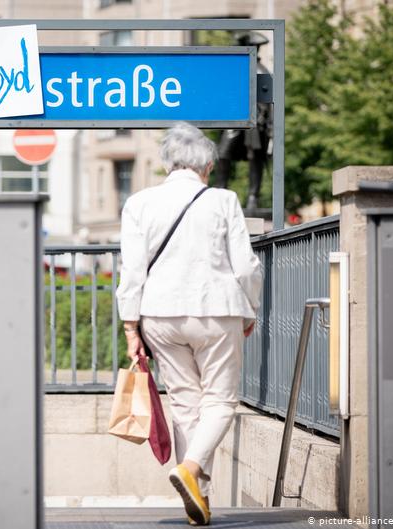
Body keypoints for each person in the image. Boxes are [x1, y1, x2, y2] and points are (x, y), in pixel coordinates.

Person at [115, 123, 263, 526]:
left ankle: (199, 497)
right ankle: (191, 468)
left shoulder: (139, 203)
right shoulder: (224, 200)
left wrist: (131, 327)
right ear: (209, 165)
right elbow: (246, 266)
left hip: (160, 315)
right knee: (220, 401)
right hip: (217, 311)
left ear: (166, 164)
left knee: (185, 405)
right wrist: (250, 307)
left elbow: (132, 271)